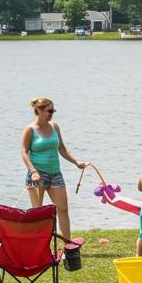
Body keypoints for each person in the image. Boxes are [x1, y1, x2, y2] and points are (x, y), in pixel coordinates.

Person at [20, 96, 89, 239]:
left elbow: (62, 149)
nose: (51, 114)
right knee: (37, 213)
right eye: (48, 111)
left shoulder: (54, 126)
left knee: (63, 209)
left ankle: (69, 244)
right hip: (37, 175)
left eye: (53, 111)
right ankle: (35, 243)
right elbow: (24, 152)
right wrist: (33, 171)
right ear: (38, 110)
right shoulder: (30, 129)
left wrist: (76, 162)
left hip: (55, 173)